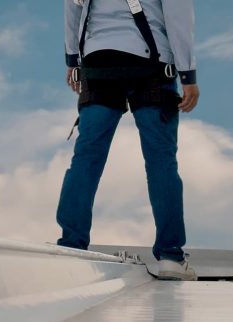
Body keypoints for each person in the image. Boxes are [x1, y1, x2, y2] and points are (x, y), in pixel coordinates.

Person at [57, 0, 199, 280]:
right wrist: (187, 74)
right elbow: (178, 12)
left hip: (98, 63)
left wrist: (73, 60)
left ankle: (72, 245)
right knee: (161, 161)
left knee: (86, 157)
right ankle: (170, 256)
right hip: (151, 65)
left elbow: (72, 6)